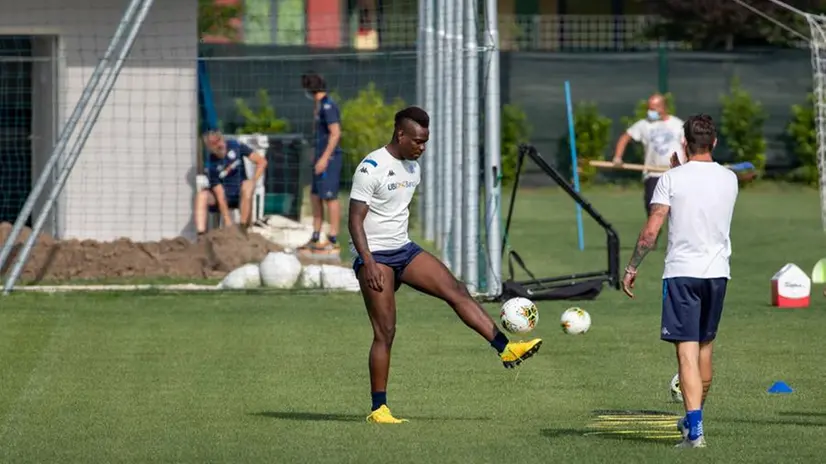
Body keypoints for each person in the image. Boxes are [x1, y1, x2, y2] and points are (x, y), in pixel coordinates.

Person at [348, 106, 542, 424]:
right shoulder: (372, 167)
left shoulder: (413, 167)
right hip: (376, 256)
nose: (422, 148)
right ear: (400, 134)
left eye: (426, 141)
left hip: (404, 251)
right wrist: (368, 263)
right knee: (385, 331)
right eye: (418, 141)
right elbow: (354, 221)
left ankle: (507, 349)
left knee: (456, 289)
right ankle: (378, 409)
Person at [620, 114, 738, 449]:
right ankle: (691, 420)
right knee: (704, 350)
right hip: (718, 274)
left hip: (682, 273)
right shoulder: (730, 179)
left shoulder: (671, 179)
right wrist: (682, 168)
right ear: (714, 142)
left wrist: (632, 266)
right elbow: (703, 189)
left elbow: (650, 232)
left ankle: (696, 434)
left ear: (684, 142)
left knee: (685, 355)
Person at [612, 93, 685, 218]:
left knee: (677, 216)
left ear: (662, 107)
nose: (649, 111)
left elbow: (687, 146)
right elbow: (625, 138)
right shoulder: (644, 124)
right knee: (653, 214)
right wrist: (618, 157)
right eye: (649, 108)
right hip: (653, 175)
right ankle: (653, 236)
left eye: (653, 108)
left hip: (675, 175)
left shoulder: (678, 125)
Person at [299, 72, 343, 255]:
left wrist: (325, 158)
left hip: (329, 160)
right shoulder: (318, 106)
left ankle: (333, 238)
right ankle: (316, 236)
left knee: (329, 197)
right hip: (318, 158)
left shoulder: (328, 106)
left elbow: (335, 133)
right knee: (315, 196)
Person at [195, 131, 267, 235]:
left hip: (240, 193)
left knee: (247, 186)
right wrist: (228, 222)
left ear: (223, 139)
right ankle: (201, 235)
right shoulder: (211, 164)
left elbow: (262, 161)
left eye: (219, 140)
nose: (219, 145)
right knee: (201, 195)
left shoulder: (235, 145)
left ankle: (243, 228)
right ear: (209, 147)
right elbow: (220, 195)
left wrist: (253, 180)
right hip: (223, 196)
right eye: (214, 143)